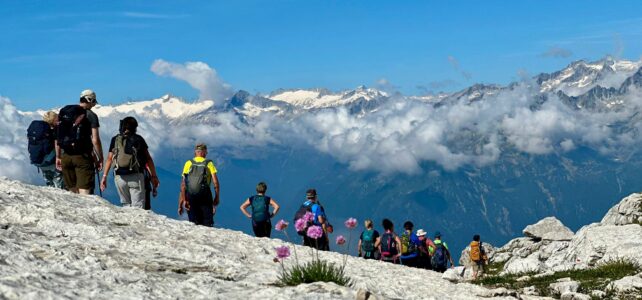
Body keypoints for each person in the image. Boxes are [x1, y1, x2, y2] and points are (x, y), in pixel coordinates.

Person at [100, 117, 160, 208]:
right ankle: (137, 223)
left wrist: (104, 177)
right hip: (135, 176)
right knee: (138, 207)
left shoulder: (115, 139)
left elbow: (109, 159)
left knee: (126, 205)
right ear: (135, 127)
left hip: (119, 177)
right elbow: (148, 159)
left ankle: (127, 222)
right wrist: (154, 176)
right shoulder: (138, 139)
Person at [55, 89, 103, 195]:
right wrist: (100, 158)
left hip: (66, 156)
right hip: (83, 157)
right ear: (89, 100)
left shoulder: (65, 112)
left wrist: (58, 157)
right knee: (85, 191)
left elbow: (58, 138)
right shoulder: (90, 115)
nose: (94, 104)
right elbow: (95, 139)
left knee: (72, 192)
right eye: (94, 101)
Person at [178, 143, 220, 227]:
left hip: (191, 195)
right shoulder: (209, 163)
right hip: (205, 195)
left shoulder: (188, 163)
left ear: (195, 152)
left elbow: (183, 184)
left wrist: (182, 201)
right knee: (207, 222)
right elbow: (215, 182)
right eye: (206, 152)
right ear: (204, 152)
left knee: (193, 222)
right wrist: (217, 197)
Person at [27, 111, 64, 188]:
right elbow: (57, 145)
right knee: (59, 183)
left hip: (41, 162)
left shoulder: (39, 131)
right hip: (52, 162)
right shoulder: (53, 132)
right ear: (53, 120)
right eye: (57, 119)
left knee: (49, 181)